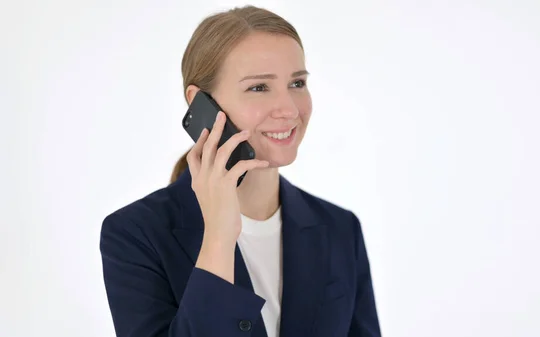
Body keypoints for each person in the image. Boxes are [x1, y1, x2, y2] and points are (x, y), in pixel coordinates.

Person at [100, 5, 381, 337]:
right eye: (259, 87)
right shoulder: (136, 233)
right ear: (200, 103)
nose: (290, 109)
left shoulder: (340, 229)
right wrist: (218, 237)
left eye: (297, 82)